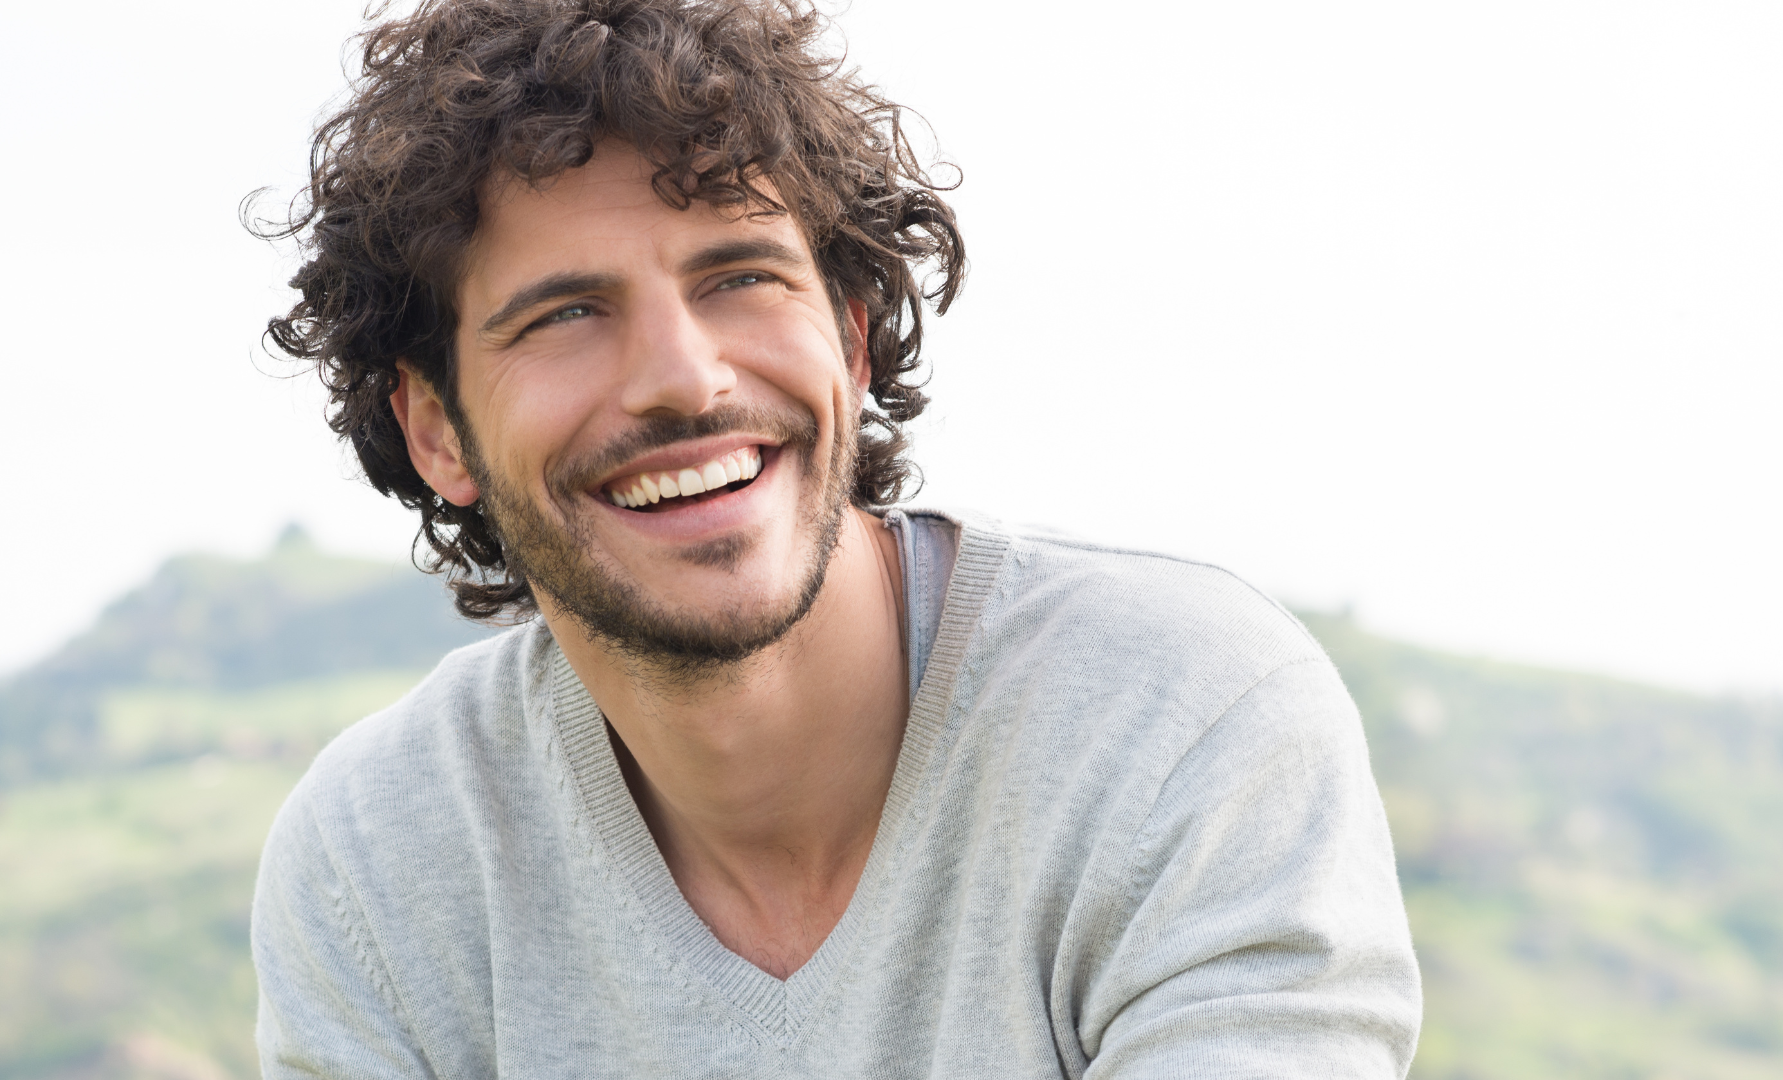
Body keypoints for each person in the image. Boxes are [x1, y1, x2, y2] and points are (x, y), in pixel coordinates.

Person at [248, 0, 1422, 1075]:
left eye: (741, 277)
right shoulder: (380, 864)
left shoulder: (1177, 720)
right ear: (437, 431)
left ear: (852, 345)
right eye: (565, 314)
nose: (683, 380)